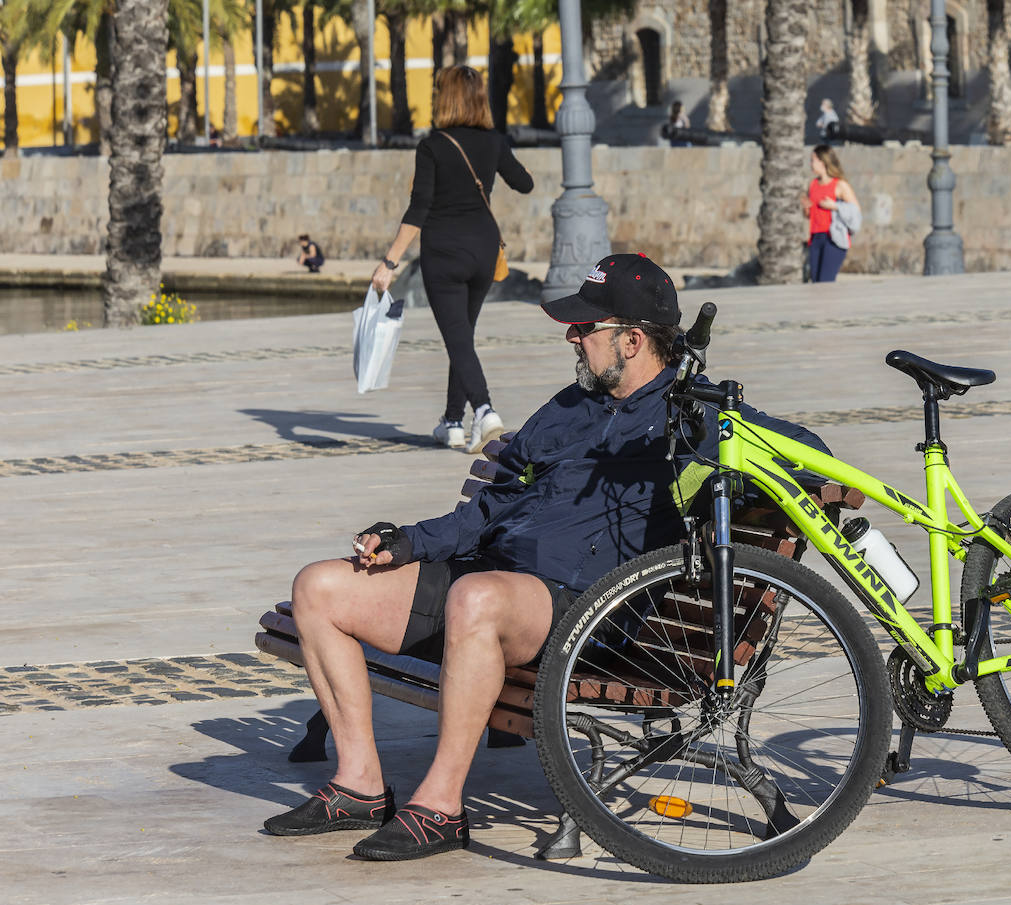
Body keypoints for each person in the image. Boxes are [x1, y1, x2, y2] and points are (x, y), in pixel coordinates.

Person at [261, 253, 829, 861]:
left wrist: (725, 439)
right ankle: (360, 786)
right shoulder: (569, 407)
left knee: (475, 599)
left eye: (585, 329)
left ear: (632, 340)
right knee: (319, 587)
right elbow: (490, 505)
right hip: (488, 582)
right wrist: (404, 542)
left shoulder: (691, 416)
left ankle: (442, 807)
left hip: (587, 610)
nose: (572, 337)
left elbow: (811, 452)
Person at [371, 65, 534, 454]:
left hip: (444, 251)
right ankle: (451, 422)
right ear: (480, 99)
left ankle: (485, 411)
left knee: (458, 338)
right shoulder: (492, 141)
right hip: (483, 249)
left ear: (444, 98)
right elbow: (524, 183)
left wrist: (389, 263)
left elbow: (419, 208)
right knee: (461, 337)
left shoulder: (433, 146)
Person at [804, 145, 859, 283]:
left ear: (823, 161)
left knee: (825, 282)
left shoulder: (839, 185)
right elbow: (810, 215)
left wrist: (834, 206)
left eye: (813, 160)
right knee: (815, 282)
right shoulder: (813, 184)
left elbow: (855, 210)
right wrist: (806, 208)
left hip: (833, 238)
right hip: (815, 237)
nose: (810, 164)